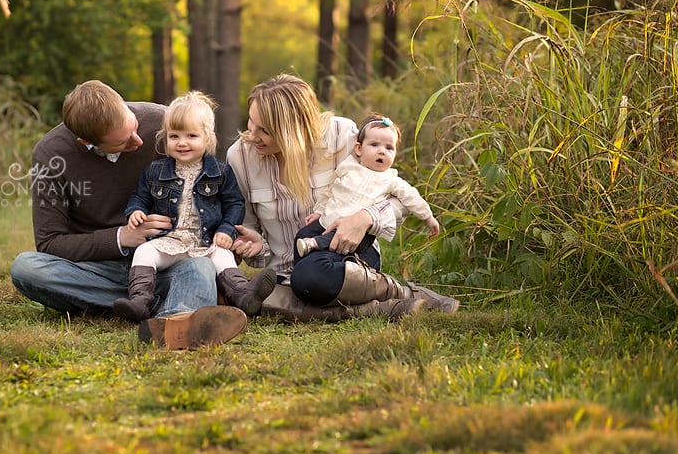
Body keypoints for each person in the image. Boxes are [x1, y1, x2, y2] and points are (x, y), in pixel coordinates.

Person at [10, 80, 252, 349]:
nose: (139, 141)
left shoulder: (163, 121)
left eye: (134, 127)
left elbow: (210, 191)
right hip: (99, 270)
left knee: (201, 266)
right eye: (124, 142)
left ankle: (171, 317)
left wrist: (223, 234)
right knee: (27, 268)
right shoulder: (50, 155)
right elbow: (50, 242)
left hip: (168, 260)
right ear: (86, 142)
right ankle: (170, 306)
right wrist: (121, 237)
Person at [226, 74, 459, 322]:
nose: (252, 135)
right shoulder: (240, 157)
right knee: (246, 295)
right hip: (286, 276)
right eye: (251, 122)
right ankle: (382, 307)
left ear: (295, 130)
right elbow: (255, 239)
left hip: (347, 262)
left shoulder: (342, 136)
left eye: (265, 130)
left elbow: (395, 195)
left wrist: (365, 218)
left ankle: (397, 291)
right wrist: (255, 246)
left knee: (308, 282)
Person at [115, 91, 267, 322]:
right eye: (174, 136)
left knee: (223, 256)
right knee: (145, 252)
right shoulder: (156, 171)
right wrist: (136, 211)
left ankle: (242, 294)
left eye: (191, 135)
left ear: (207, 138)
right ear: (165, 138)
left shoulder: (220, 171)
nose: (182, 142)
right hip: (170, 240)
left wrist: (226, 230)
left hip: (205, 242)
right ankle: (140, 300)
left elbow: (235, 203)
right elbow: (140, 197)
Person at [291, 113, 445, 308]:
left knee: (321, 254)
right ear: (359, 149)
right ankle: (308, 265)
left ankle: (322, 252)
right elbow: (331, 190)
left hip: (358, 240)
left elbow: (411, 198)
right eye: (375, 145)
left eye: (389, 148)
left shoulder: (391, 180)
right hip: (325, 223)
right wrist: (319, 212)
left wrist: (428, 217)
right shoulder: (348, 167)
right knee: (302, 234)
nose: (382, 152)